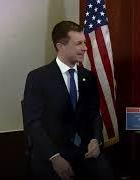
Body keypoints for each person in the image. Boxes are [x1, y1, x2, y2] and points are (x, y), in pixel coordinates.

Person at [23, 21, 115, 180]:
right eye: (79, 43)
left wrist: (95, 139)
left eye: (84, 42)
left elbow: (94, 114)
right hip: (52, 154)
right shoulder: (38, 78)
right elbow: (33, 124)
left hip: (85, 152)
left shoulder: (88, 77)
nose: (85, 48)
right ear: (61, 47)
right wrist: (54, 157)